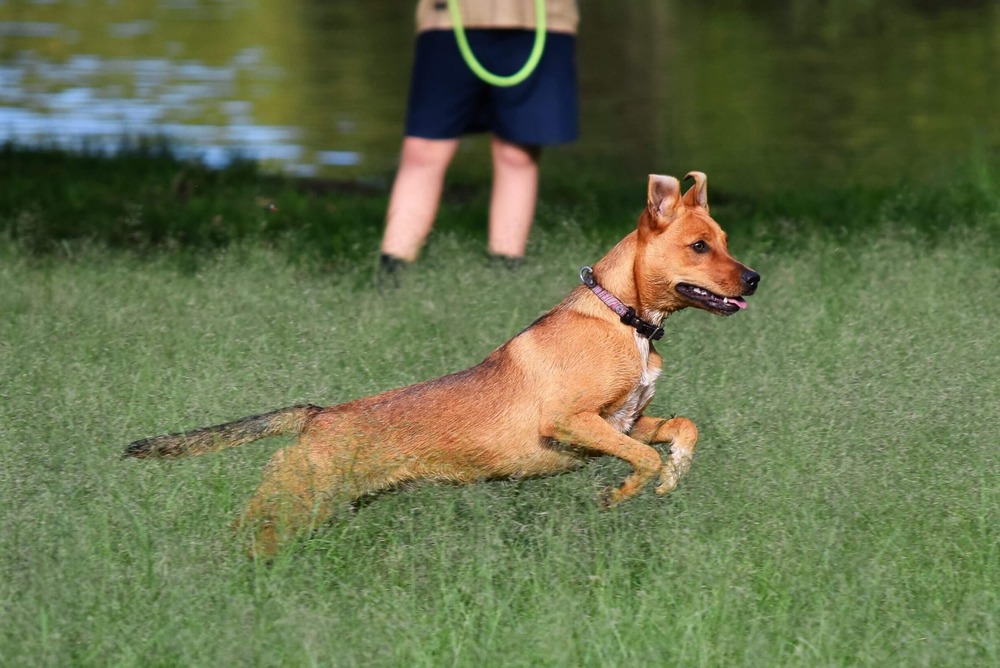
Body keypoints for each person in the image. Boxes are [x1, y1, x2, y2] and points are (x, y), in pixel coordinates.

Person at [379, 0, 579, 277]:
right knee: (422, 150)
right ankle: (391, 278)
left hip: (541, 18)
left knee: (516, 153)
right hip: (447, 17)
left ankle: (504, 276)